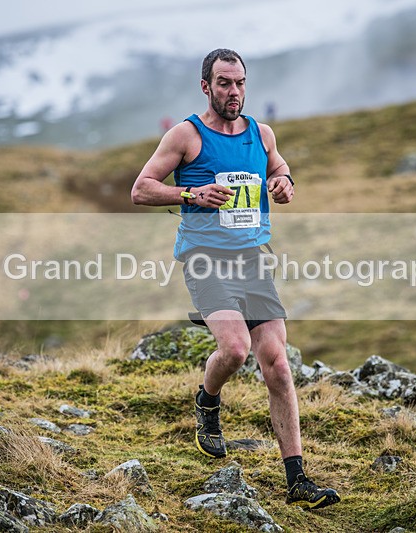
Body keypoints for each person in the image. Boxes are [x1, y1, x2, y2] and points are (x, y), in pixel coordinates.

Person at [131, 48, 340, 509]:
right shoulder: (186, 135)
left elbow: (279, 167)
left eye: (240, 82)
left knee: (278, 364)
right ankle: (208, 400)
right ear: (206, 86)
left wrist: (285, 183)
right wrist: (192, 193)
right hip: (205, 259)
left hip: (252, 260)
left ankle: (297, 480)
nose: (234, 92)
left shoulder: (261, 133)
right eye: (224, 83)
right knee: (236, 350)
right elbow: (141, 189)